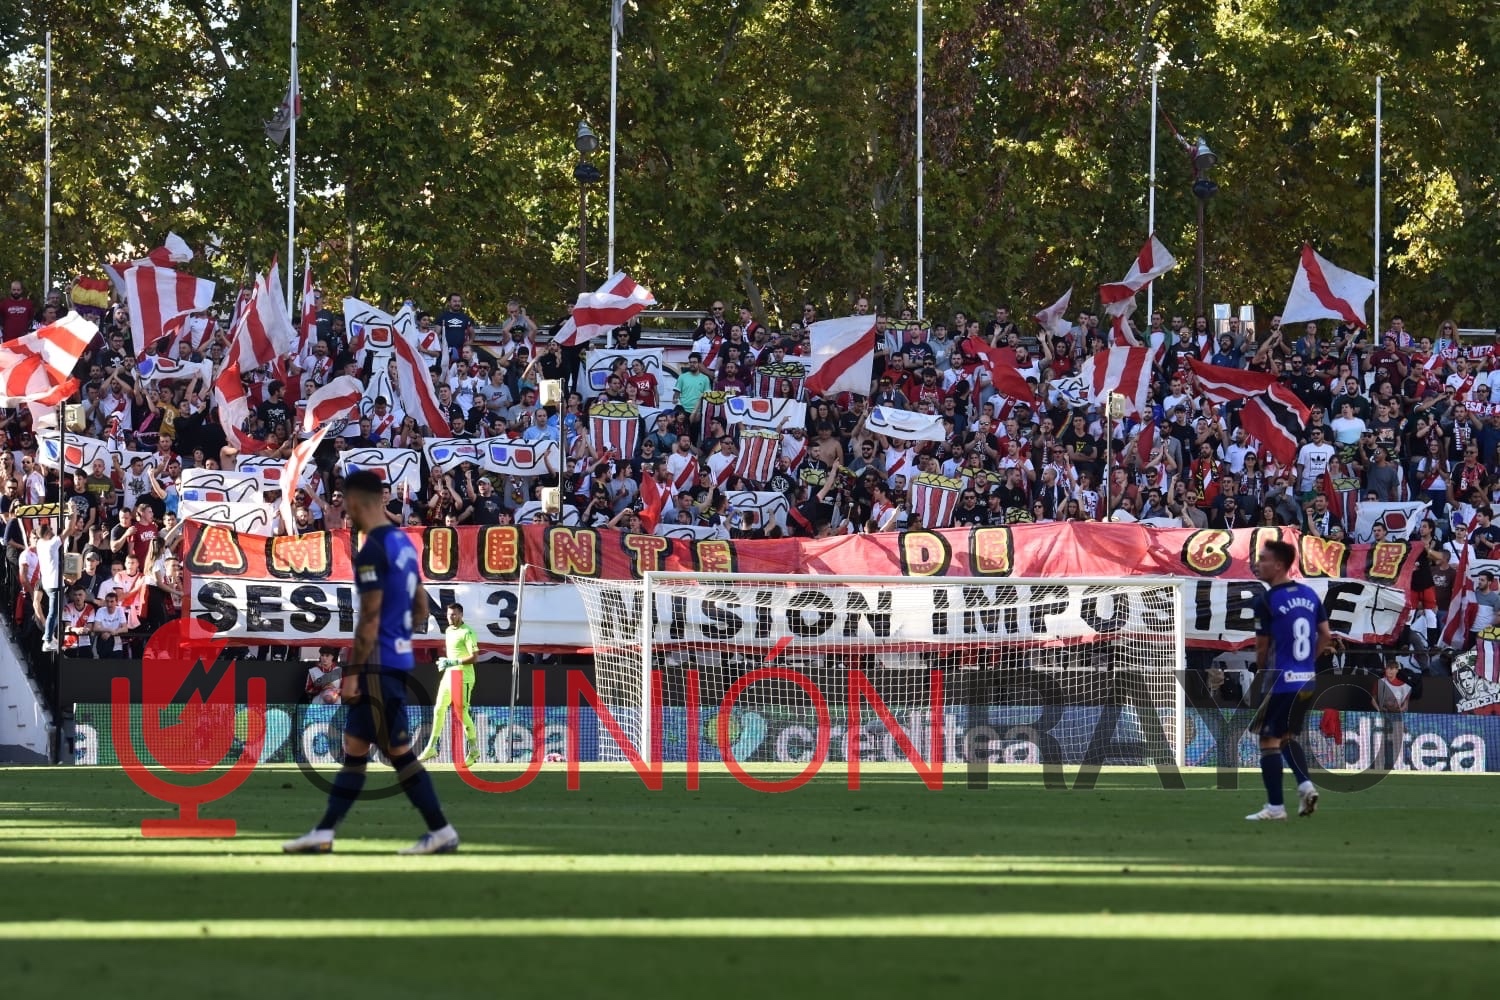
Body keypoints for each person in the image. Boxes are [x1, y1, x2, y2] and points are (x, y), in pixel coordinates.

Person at [283, 470, 459, 855]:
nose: (347, 513)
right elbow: (421, 606)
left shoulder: (373, 549)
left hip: (376, 667)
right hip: (393, 660)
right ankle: (324, 832)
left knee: (397, 753)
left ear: (360, 503)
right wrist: (398, 635)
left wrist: (352, 674)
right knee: (356, 751)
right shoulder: (403, 544)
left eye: (348, 506)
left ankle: (442, 831)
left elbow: (370, 617)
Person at [1245, 539, 1332, 822]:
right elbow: (1326, 635)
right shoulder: (1309, 594)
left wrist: (1263, 673)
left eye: (1264, 559)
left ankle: (1275, 808)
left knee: (1268, 740)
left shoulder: (1266, 600)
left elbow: (1261, 648)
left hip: (1281, 680)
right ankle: (1305, 786)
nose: (1258, 564)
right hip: (1307, 680)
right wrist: (1307, 663)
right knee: (1285, 737)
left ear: (1279, 565)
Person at [418, 603, 481, 765]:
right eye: (449, 614)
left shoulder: (467, 632)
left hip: (463, 676)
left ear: (461, 615)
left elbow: (475, 657)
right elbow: (455, 653)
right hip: (449, 675)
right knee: (439, 708)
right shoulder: (448, 631)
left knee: (461, 713)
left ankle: (474, 750)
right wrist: (446, 662)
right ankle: (431, 747)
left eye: (454, 614)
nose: (451, 617)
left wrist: (454, 662)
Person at [1374, 659, 1411, 771]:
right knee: (1381, 741)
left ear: (1396, 670)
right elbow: (1373, 699)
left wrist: (1400, 709)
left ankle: (1391, 765)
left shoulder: (1404, 686)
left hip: (1397, 717)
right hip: (1383, 715)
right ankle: (1379, 765)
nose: (1389, 671)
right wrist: (1379, 709)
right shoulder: (1380, 683)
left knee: (1394, 742)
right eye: (1388, 668)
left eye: (1392, 668)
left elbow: (1406, 705)